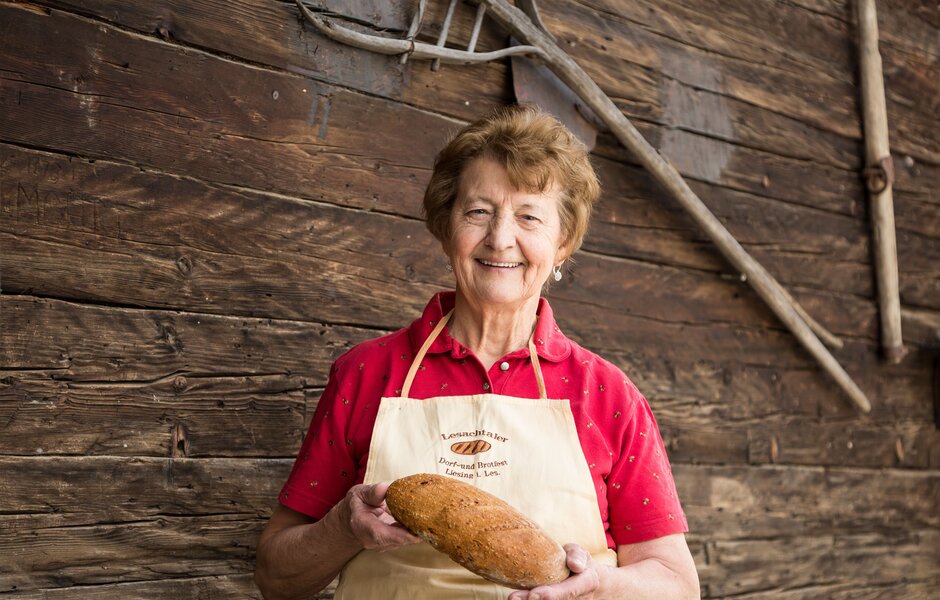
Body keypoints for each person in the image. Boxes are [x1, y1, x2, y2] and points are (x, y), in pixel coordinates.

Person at [254, 104, 700, 599]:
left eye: (529, 216)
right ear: (447, 230)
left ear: (564, 242)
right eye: (478, 212)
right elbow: (276, 578)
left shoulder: (608, 394)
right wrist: (343, 526)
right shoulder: (365, 373)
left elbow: (676, 584)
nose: (500, 239)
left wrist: (602, 589)